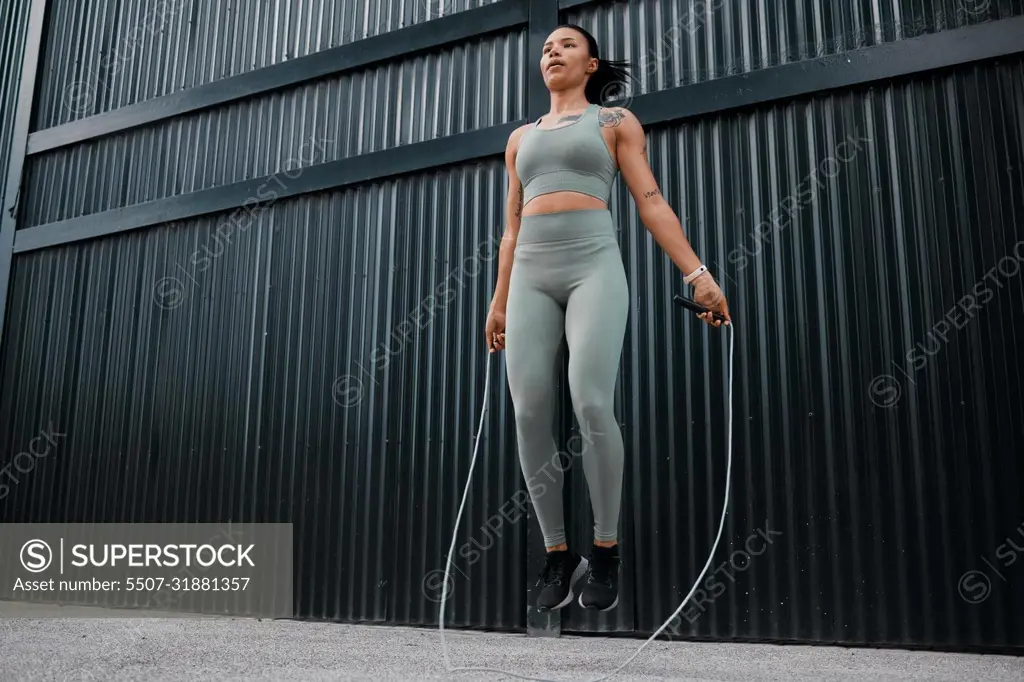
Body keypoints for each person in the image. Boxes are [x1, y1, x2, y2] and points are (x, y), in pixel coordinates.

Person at [483, 24, 731, 613]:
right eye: (546, 47)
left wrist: (698, 275)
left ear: (591, 64)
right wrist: (498, 301)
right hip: (530, 277)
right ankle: (556, 552)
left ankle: (606, 547)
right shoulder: (521, 139)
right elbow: (511, 229)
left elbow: (651, 203)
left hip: (594, 264)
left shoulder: (615, 122)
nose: (551, 51)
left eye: (565, 45)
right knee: (529, 409)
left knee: (591, 399)